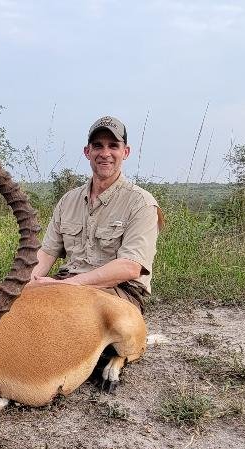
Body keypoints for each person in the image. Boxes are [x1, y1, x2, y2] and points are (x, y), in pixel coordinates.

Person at [28, 115, 161, 313]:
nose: (105, 153)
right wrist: (25, 285)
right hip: (67, 285)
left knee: (64, 312)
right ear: (87, 152)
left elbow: (130, 267)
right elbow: (47, 253)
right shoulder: (68, 201)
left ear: (125, 152)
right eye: (98, 146)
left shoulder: (141, 203)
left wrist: (69, 285)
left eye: (113, 146)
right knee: (18, 311)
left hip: (118, 292)